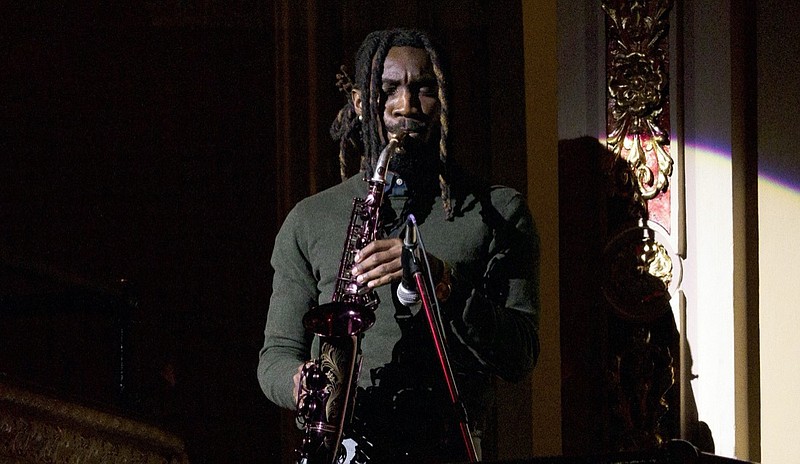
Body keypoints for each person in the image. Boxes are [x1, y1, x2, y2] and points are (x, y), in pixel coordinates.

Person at [258, 28, 540, 463]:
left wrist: (443, 281)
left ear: (442, 99)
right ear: (358, 102)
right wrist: (301, 384)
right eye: (389, 89)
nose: (406, 106)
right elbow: (275, 355)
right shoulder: (309, 218)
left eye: (424, 89)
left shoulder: (500, 211)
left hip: (445, 444)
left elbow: (520, 355)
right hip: (344, 448)